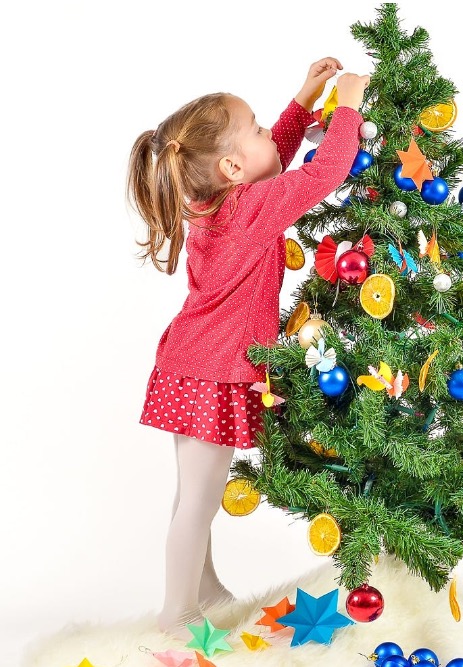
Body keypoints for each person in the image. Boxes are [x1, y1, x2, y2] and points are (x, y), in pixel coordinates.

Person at [126, 57, 370, 637]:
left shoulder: (217, 200)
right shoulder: (252, 210)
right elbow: (323, 173)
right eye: (257, 126)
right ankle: (175, 614)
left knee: (195, 496)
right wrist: (350, 103)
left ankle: (202, 590)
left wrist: (303, 101)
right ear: (231, 165)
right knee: (198, 502)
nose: (269, 134)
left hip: (189, 365)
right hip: (212, 372)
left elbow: (268, 161)